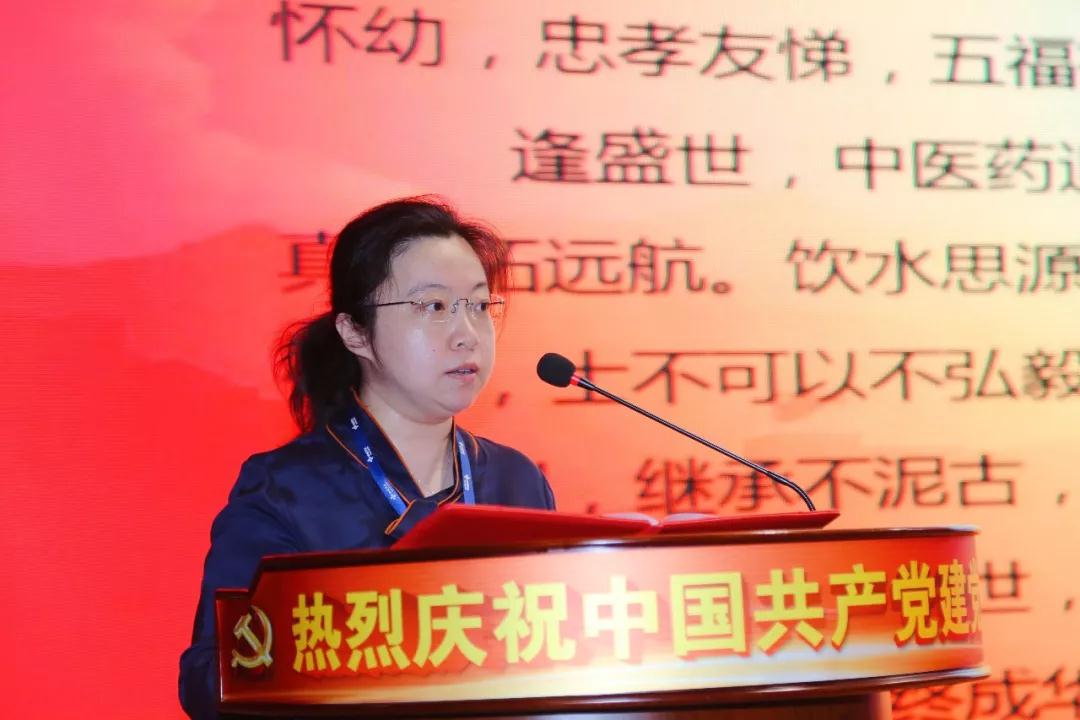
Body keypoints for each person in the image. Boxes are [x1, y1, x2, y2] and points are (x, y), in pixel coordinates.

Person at [178, 197, 555, 719]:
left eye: (477, 305)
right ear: (355, 332)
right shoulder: (286, 489)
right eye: (434, 306)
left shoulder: (517, 480)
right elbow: (208, 679)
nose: (467, 334)